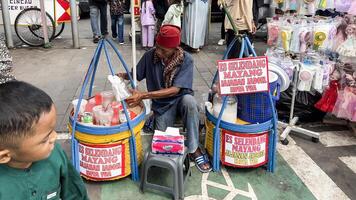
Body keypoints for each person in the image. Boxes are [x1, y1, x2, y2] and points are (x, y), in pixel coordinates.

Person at [118, 25, 212, 173]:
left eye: (164, 50)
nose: (159, 52)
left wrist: (143, 95)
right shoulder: (150, 56)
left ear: (175, 48)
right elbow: (136, 75)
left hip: (181, 99)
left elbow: (175, 90)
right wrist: (122, 77)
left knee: (191, 103)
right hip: (162, 105)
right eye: (157, 47)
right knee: (162, 147)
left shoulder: (186, 59)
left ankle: (194, 148)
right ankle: (155, 119)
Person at [0, 81, 89, 199]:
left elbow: (75, 194)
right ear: (4, 156)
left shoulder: (55, 154)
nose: (54, 137)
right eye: (44, 139)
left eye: (52, 130)